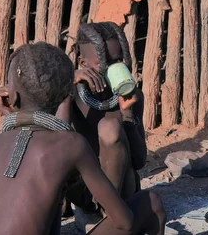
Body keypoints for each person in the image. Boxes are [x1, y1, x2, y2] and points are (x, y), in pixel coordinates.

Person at [0, 42, 165, 235]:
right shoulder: (71, 145)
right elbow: (125, 222)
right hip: (102, 199)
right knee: (152, 203)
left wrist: (10, 115)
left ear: (9, 97)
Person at [56, 22, 146, 214]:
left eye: (118, 61)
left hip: (121, 188)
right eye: (102, 64)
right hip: (83, 187)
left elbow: (139, 161)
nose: (112, 69)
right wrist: (65, 90)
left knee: (110, 127)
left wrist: (128, 116)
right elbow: (57, 143)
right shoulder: (71, 93)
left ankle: (110, 215)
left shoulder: (132, 96)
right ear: (83, 63)